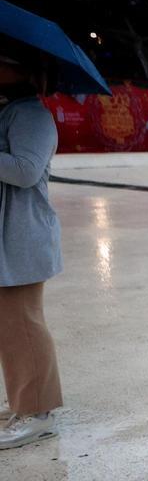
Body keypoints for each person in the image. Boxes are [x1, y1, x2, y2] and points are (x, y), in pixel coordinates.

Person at [0, 44, 64, 449]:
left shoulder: (34, 115)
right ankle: (23, 401)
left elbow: (24, 172)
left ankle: (38, 413)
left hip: (22, 234)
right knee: (10, 326)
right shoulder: (10, 111)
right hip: (7, 234)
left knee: (23, 323)